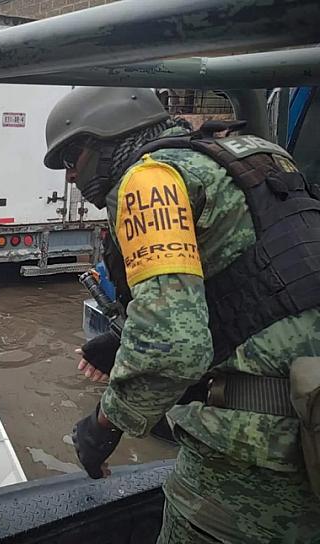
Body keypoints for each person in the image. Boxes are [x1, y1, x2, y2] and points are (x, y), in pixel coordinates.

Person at [42, 87, 320, 543]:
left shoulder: (149, 181)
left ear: (106, 137)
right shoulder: (250, 155)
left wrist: (103, 425)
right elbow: (264, 284)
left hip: (254, 455)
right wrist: (124, 339)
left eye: (72, 158)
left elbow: (170, 348)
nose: (71, 176)